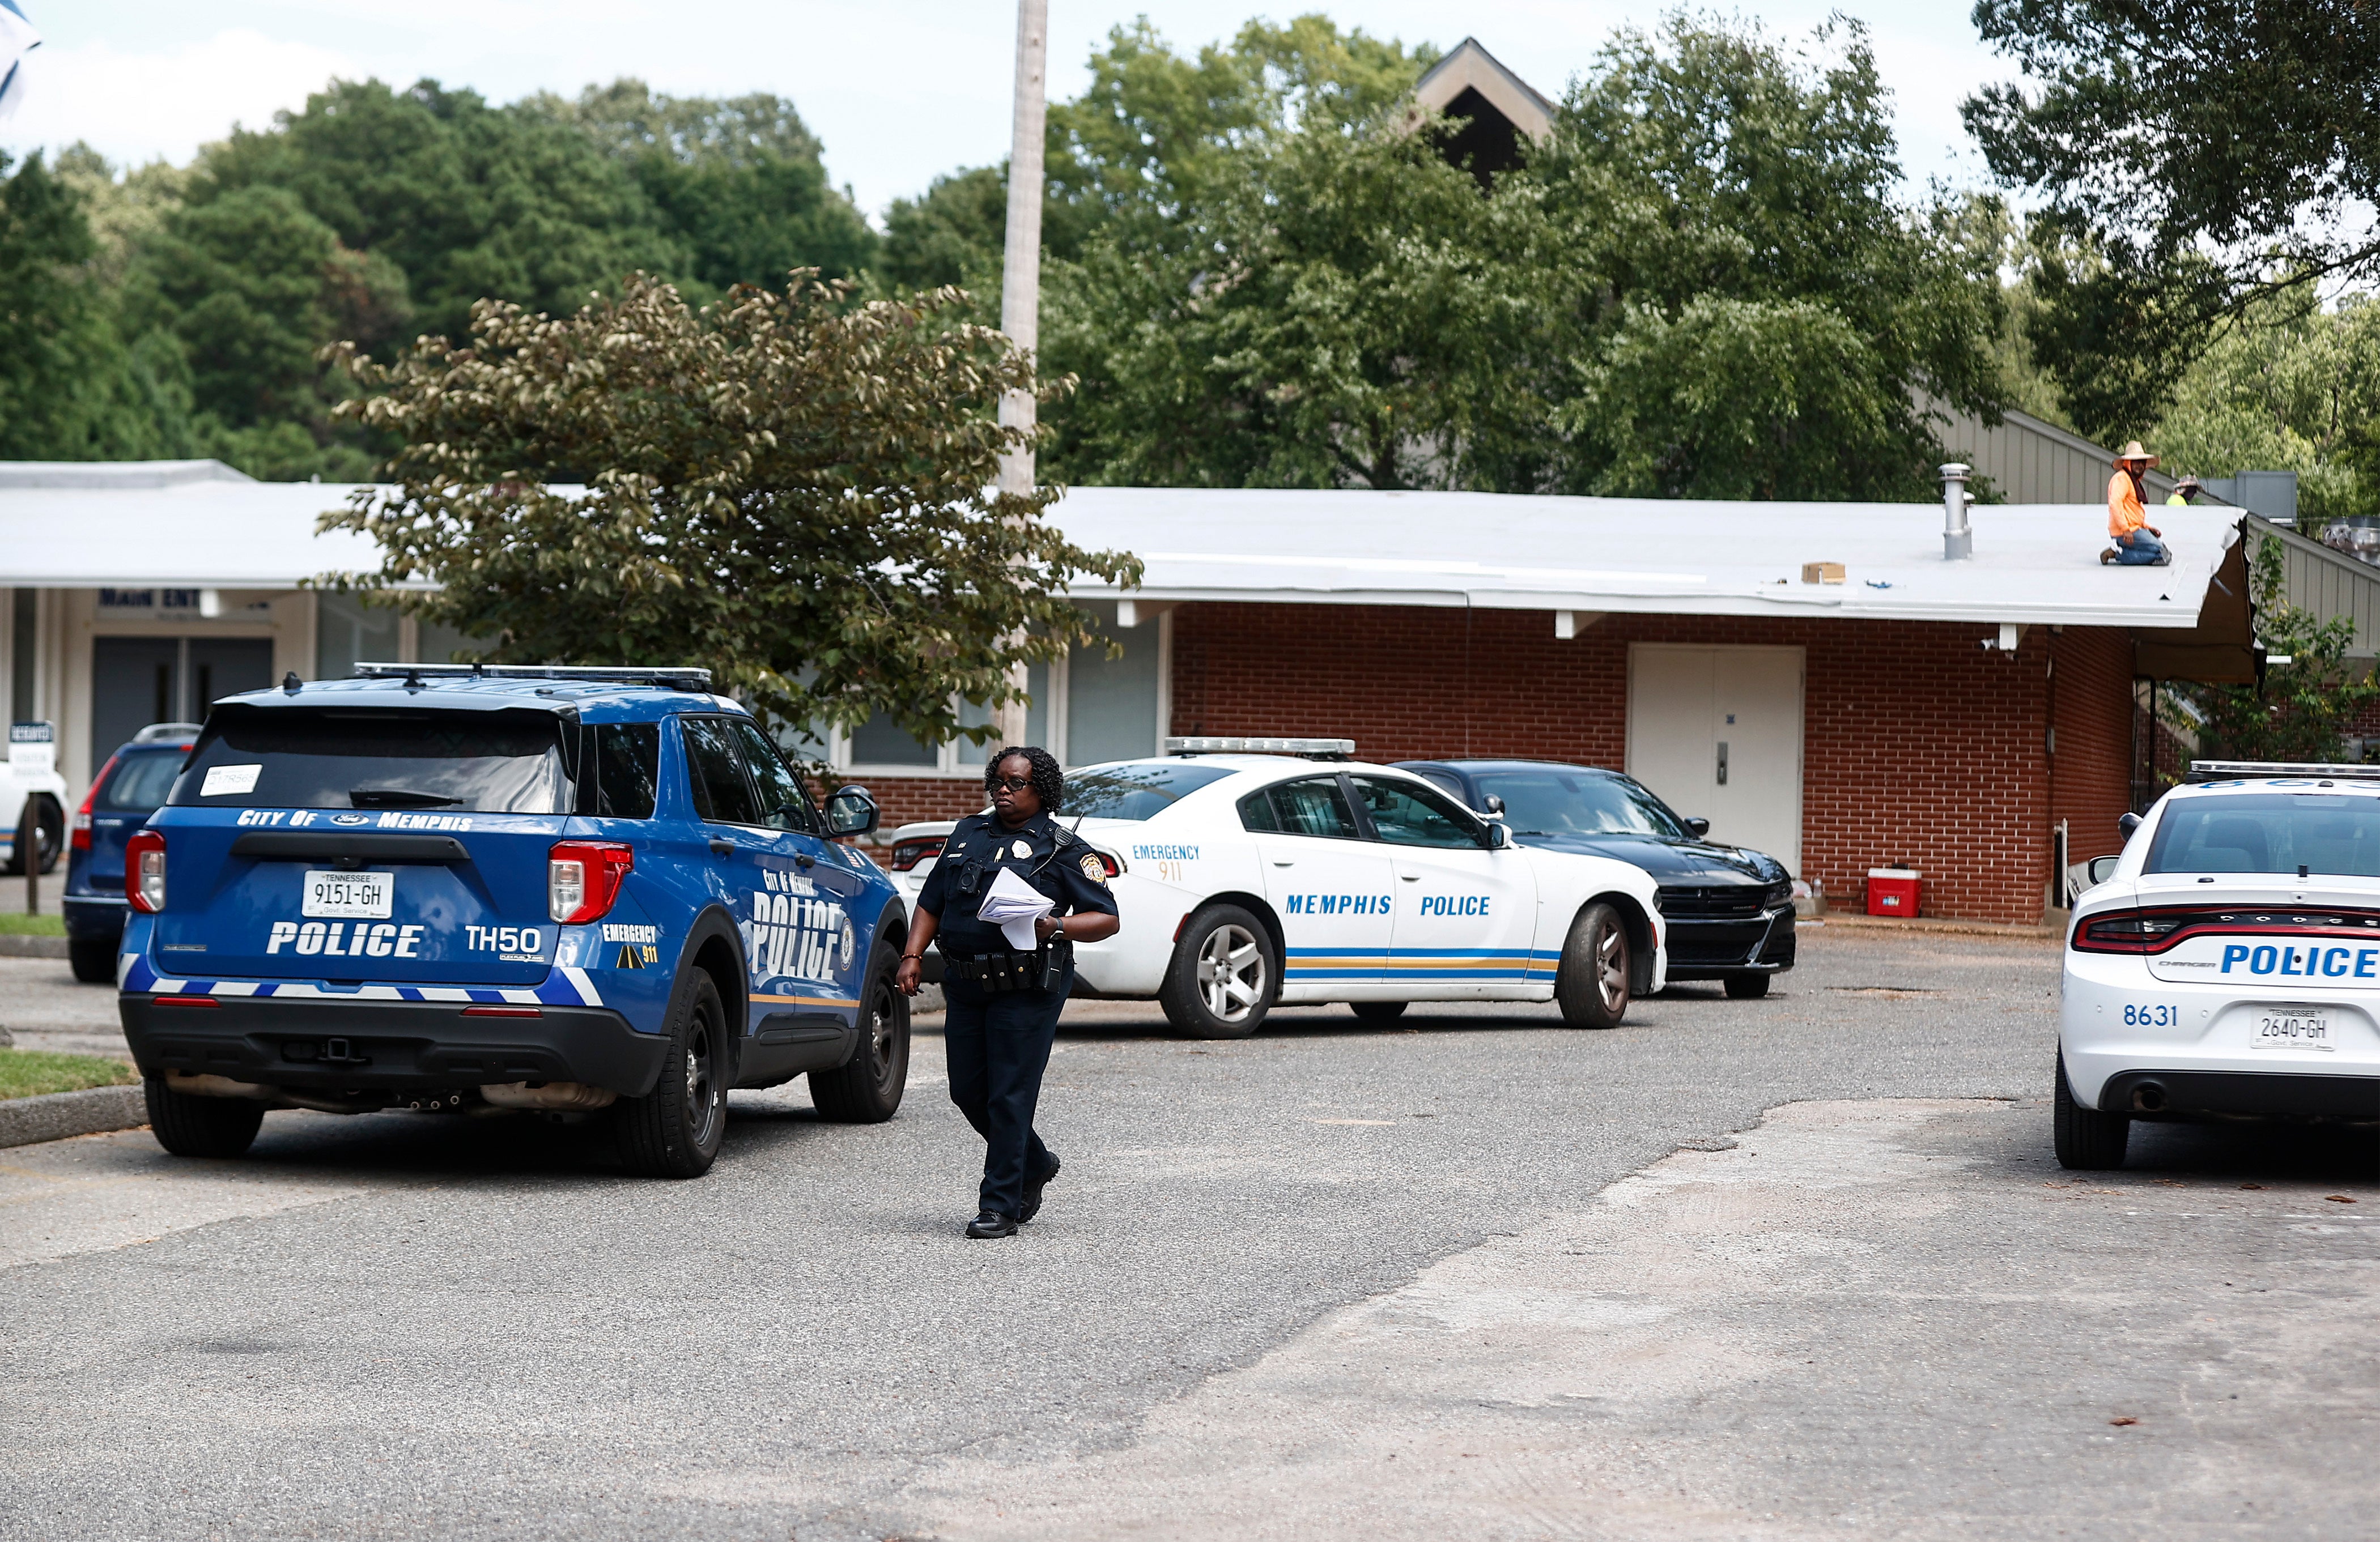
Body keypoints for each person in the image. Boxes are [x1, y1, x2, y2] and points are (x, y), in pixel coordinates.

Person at [896, 746, 1120, 1238]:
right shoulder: (967, 834)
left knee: (1009, 1094)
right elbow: (931, 902)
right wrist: (913, 954)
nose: (1002, 789)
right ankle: (1035, 1161)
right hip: (965, 979)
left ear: (1040, 791)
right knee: (967, 1090)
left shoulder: (1065, 849)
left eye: (1015, 783)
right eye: (997, 780)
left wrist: (1055, 924)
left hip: (1026, 986)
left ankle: (999, 1205)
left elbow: (1107, 918)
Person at [2101, 441, 2171, 566]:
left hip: (2134, 529)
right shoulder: (2122, 479)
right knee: (2161, 553)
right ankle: (2118, 554)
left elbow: (2132, 512)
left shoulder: (2132, 481)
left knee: (2165, 554)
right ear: (2128, 463)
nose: (2139, 465)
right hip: (2125, 531)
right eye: (2136, 462)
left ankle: (2119, 550)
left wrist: (2146, 527)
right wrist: (2125, 530)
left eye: (2142, 462)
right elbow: (2115, 504)